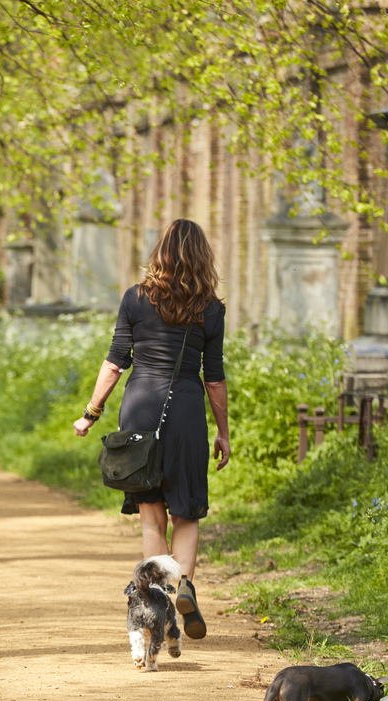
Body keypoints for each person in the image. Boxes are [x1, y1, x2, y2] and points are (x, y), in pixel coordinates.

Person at [73, 219, 230, 639]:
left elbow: (115, 362)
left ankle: (156, 598)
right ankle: (184, 588)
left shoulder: (136, 299)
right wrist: (223, 432)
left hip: (140, 409)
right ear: (203, 258)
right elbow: (213, 378)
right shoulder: (211, 309)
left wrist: (91, 413)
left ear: (159, 253)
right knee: (187, 511)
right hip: (186, 415)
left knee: (150, 517)